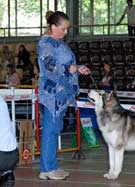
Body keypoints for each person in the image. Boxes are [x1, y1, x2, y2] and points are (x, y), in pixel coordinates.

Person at [38, 11, 90, 180]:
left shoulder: (57, 42)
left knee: (54, 129)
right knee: (51, 130)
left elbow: (67, 64)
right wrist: (70, 69)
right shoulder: (46, 42)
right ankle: (46, 168)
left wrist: (78, 68)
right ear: (53, 27)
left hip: (61, 94)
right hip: (53, 94)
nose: (66, 32)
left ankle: (51, 166)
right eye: (63, 29)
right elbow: (49, 66)